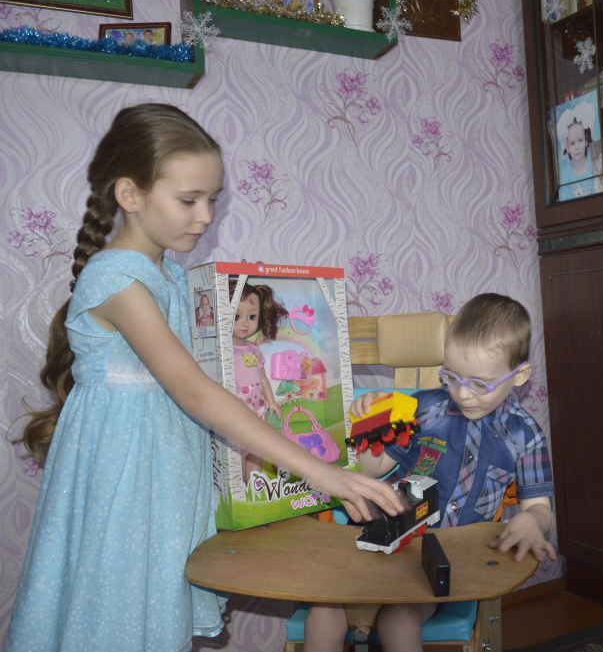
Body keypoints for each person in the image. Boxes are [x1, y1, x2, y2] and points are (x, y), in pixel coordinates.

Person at [6, 103, 403, 652]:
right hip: (126, 471)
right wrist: (323, 473)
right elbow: (194, 390)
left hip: (165, 466)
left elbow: (208, 375)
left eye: (213, 199)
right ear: (130, 195)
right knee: (117, 609)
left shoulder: (169, 273)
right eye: (189, 200)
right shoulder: (117, 282)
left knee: (152, 603)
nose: (206, 215)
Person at [304, 293, 556, 652]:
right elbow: (372, 470)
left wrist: (531, 522)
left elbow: (539, 508)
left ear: (521, 376)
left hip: (447, 561)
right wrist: (371, 428)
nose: (463, 394)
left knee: (399, 619)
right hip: (381, 541)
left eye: (479, 384)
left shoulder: (525, 434)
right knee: (324, 612)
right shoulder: (424, 408)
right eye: (451, 376)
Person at [230, 279, 286, 481]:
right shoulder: (225, 350)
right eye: (237, 316)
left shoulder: (253, 348)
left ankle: (254, 486)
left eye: (252, 316)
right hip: (235, 408)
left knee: (257, 449)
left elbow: (262, 378)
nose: (245, 323)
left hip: (257, 408)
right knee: (236, 450)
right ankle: (239, 488)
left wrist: (272, 401)